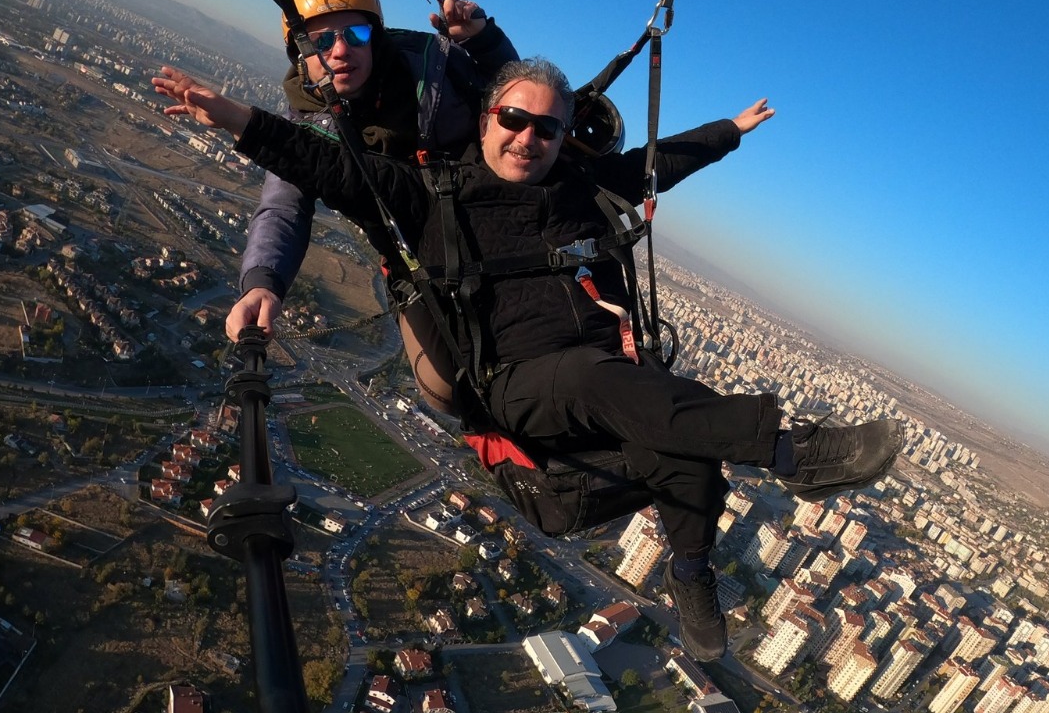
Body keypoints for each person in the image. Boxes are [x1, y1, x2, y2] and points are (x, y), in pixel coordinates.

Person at [152, 59, 903, 661]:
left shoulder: (580, 188)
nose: (528, 138)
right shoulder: (427, 197)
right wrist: (227, 115)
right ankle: (790, 449)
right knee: (603, 379)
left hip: (598, 386)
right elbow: (322, 165)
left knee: (678, 438)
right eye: (514, 119)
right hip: (512, 385)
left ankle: (690, 573)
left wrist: (730, 131)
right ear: (486, 121)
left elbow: (656, 163)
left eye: (547, 128)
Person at [218, 0, 518, 414]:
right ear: (300, 54)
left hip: (494, 214)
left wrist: (482, 40)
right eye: (320, 41)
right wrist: (263, 281)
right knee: (447, 390)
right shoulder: (308, 122)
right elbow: (283, 206)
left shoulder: (432, 62)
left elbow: (513, 92)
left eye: (355, 33)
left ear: (375, 36)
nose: (341, 50)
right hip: (415, 251)